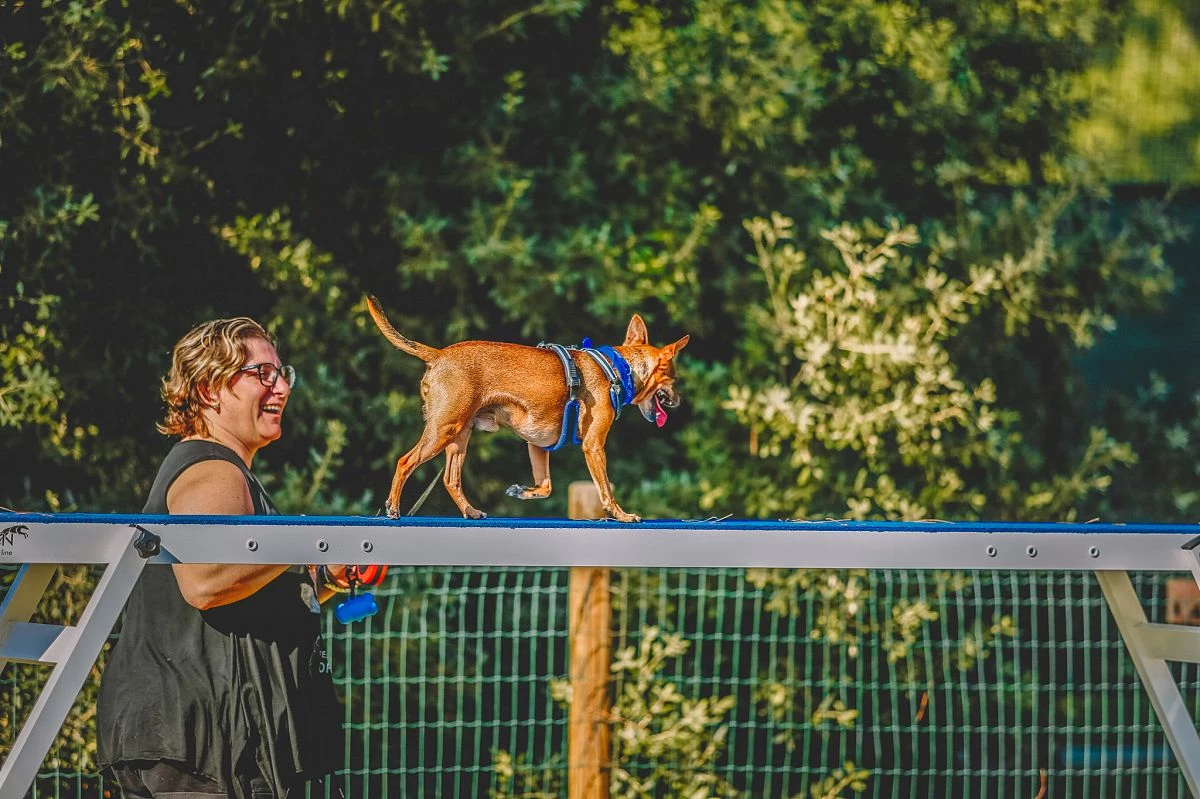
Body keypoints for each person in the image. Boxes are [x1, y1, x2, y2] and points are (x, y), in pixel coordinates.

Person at [97, 317, 349, 799]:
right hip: (204, 742)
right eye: (263, 374)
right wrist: (310, 540)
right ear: (211, 389)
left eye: (283, 373)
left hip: (188, 735)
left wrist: (323, 576)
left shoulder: (222, 469)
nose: (281, 387)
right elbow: (207, 580)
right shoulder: (214, 468)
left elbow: (242, 585)